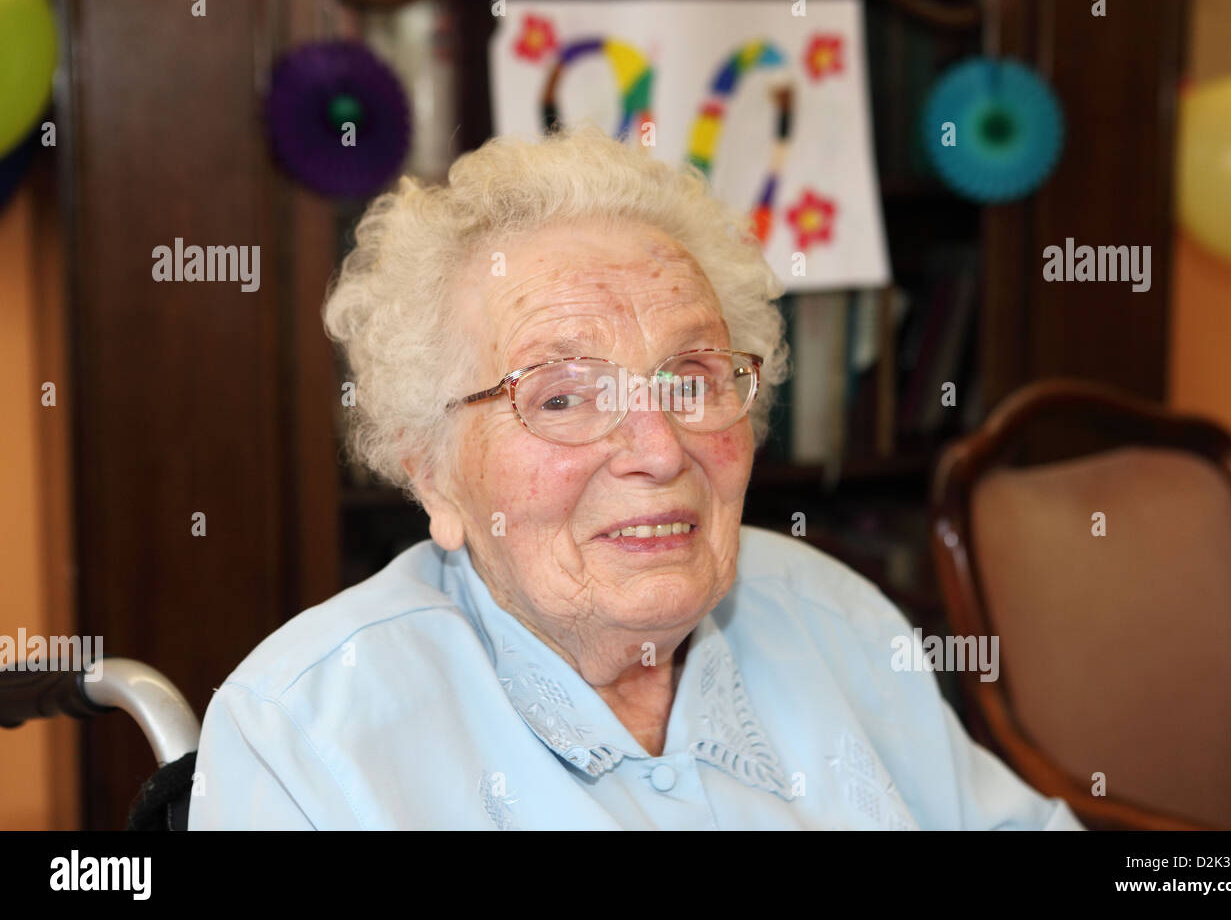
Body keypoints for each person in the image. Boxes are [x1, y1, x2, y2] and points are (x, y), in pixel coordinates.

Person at [188, 125, 1083, 830]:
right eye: (564, 398)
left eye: (691, 381)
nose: (658, 449)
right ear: (434, 478)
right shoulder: (306, 732)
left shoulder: (833, 616)